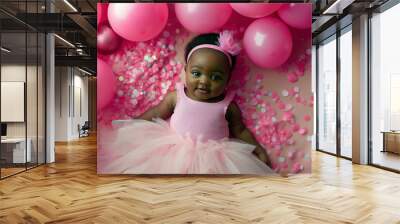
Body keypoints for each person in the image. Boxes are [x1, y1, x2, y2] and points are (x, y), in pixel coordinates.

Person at [99, 31, 274, 175]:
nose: (204, 82)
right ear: (186, 71)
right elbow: (156, 113)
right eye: (197, 74)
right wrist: (134, 124)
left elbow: (240, 130)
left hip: (213, 160)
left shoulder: (228, 106)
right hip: (171, 151)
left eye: (216, 77)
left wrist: (257, 149)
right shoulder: (177, 97)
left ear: (228, 80)